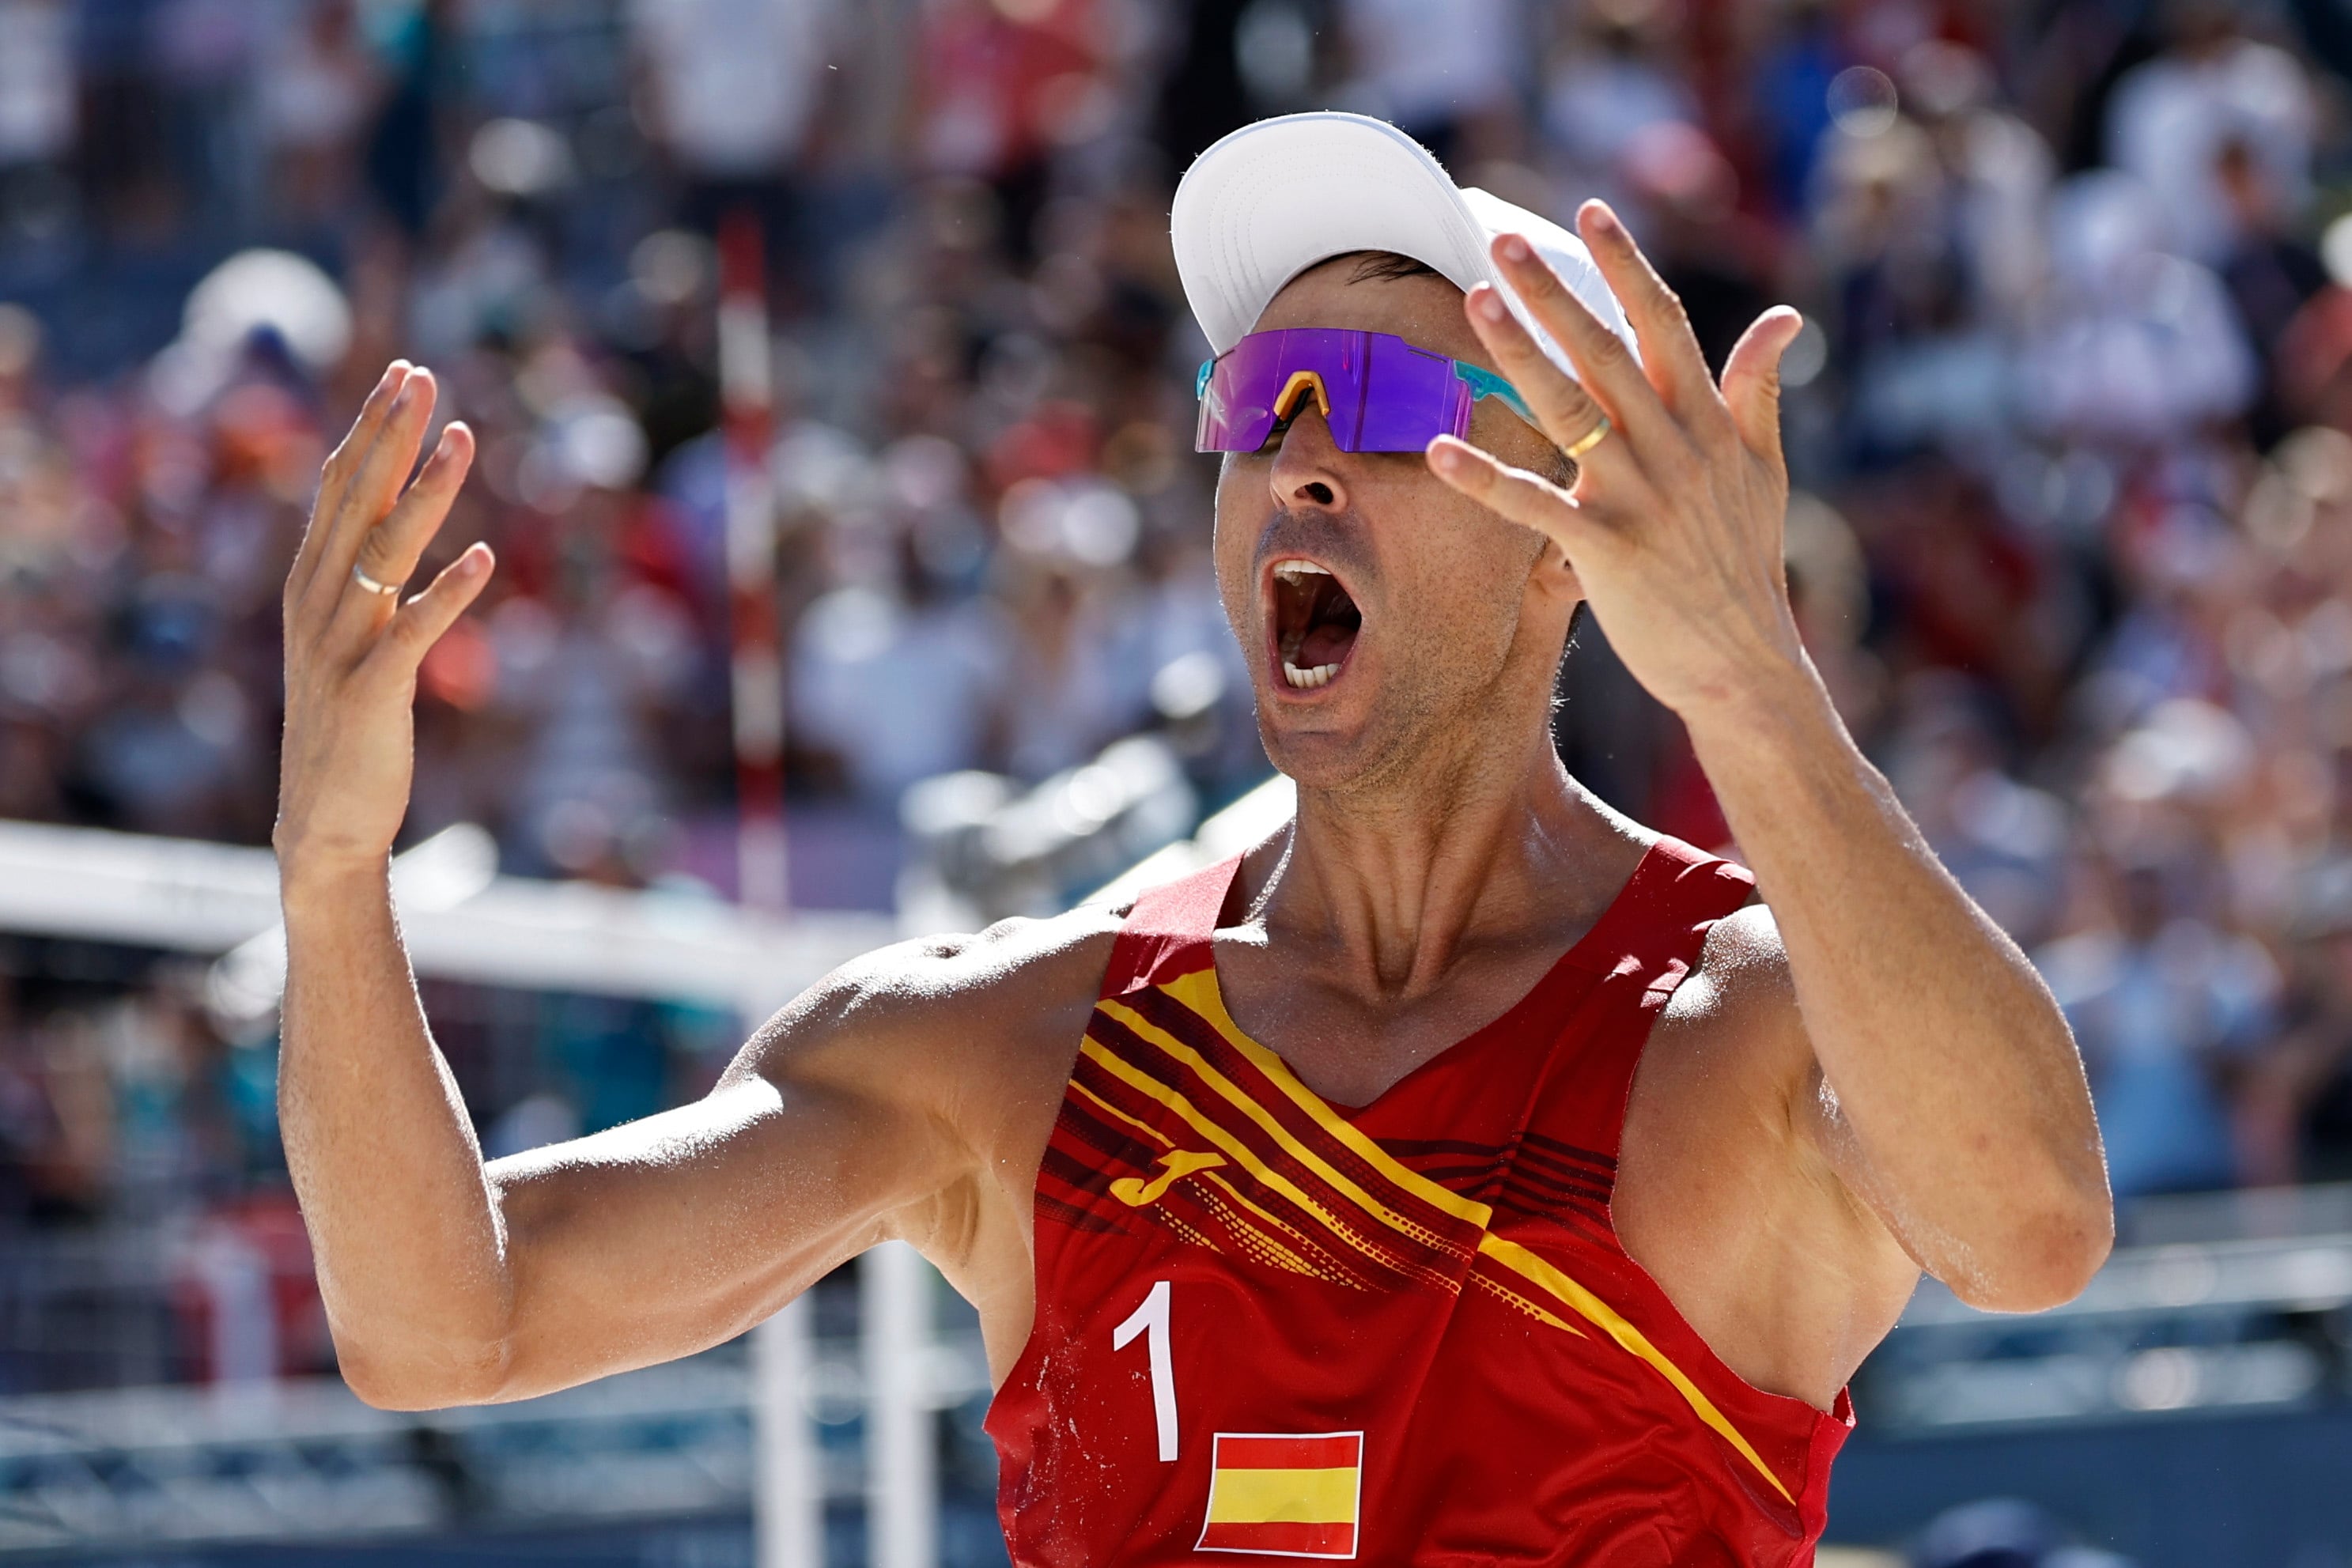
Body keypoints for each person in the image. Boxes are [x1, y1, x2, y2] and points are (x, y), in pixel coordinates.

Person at [273, 113, 2111, 1565]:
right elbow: (448, 1323)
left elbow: (2030, 1227)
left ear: (1574, 536)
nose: (1296, 458)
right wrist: (333, 873)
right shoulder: (1005, 1040)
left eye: (1381, 404)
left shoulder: (1740, 1022)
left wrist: (1745, 670)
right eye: (1256, 404)